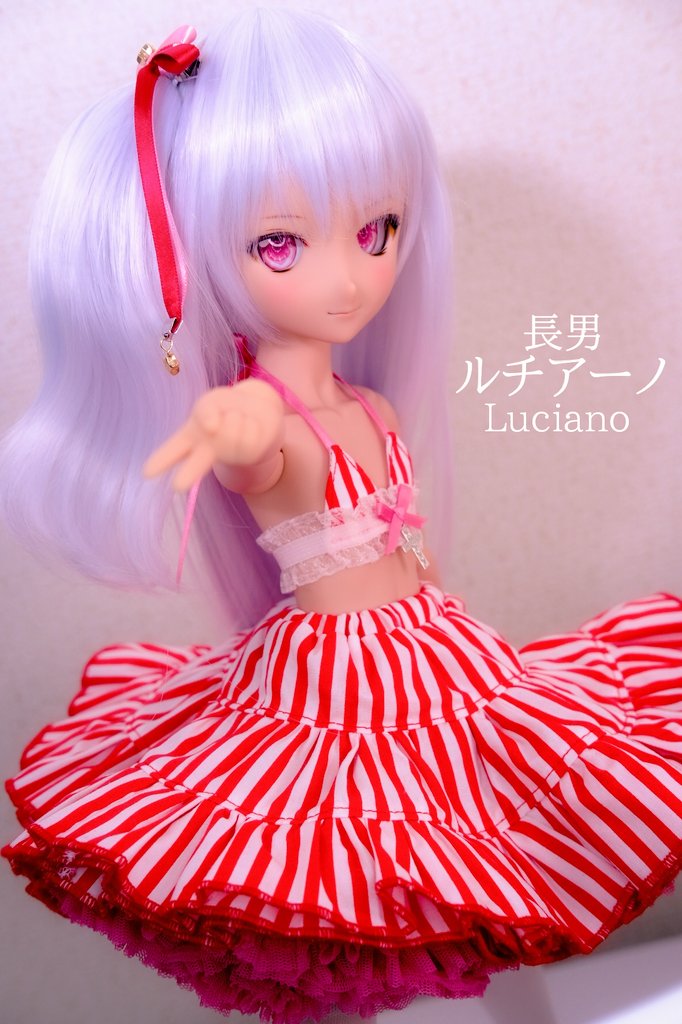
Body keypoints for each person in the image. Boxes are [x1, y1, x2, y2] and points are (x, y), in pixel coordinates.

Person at [2, 9, 681, 1024]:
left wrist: (466, 640)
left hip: (436, 657)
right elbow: (253, 447)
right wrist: (232, 420)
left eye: (377, 231)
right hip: (332, 682)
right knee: (356, 860)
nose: (350, 276)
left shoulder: (373, 408)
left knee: (477, 841)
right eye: (280, 243)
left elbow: (406, 547)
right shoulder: (266, 422)